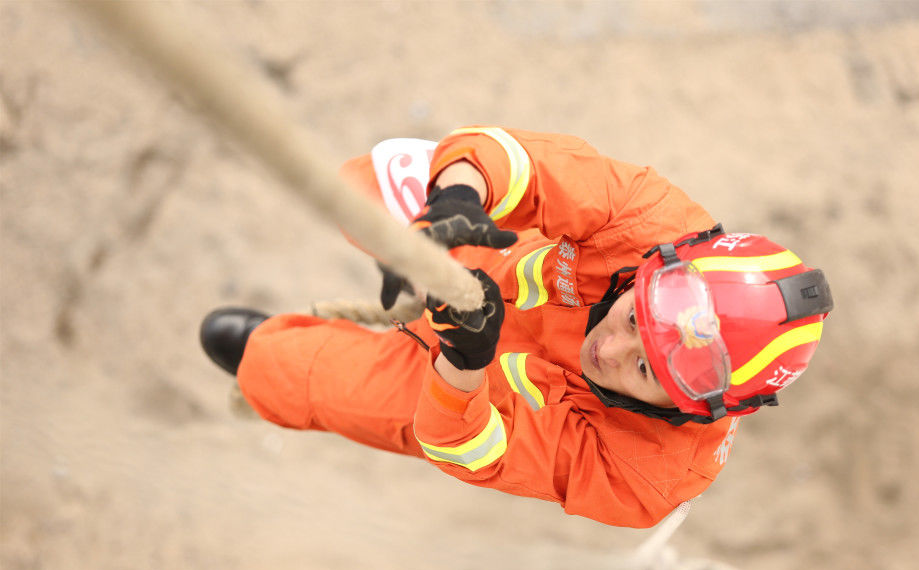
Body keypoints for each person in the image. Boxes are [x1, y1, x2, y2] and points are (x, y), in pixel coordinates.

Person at [200, 127, 833, 528]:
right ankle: (435, 198)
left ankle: (262, 354)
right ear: (661, 265)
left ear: (694, 409)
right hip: (487, 253)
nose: (610, 349)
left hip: (466, 395)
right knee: (358, 189)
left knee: (280, 371)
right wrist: (457, 199)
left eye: (646, 368)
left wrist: (462, 361)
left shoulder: (646, 477)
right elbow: (525, 163)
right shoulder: (654, 223)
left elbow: (464, 446)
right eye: (635, 315)